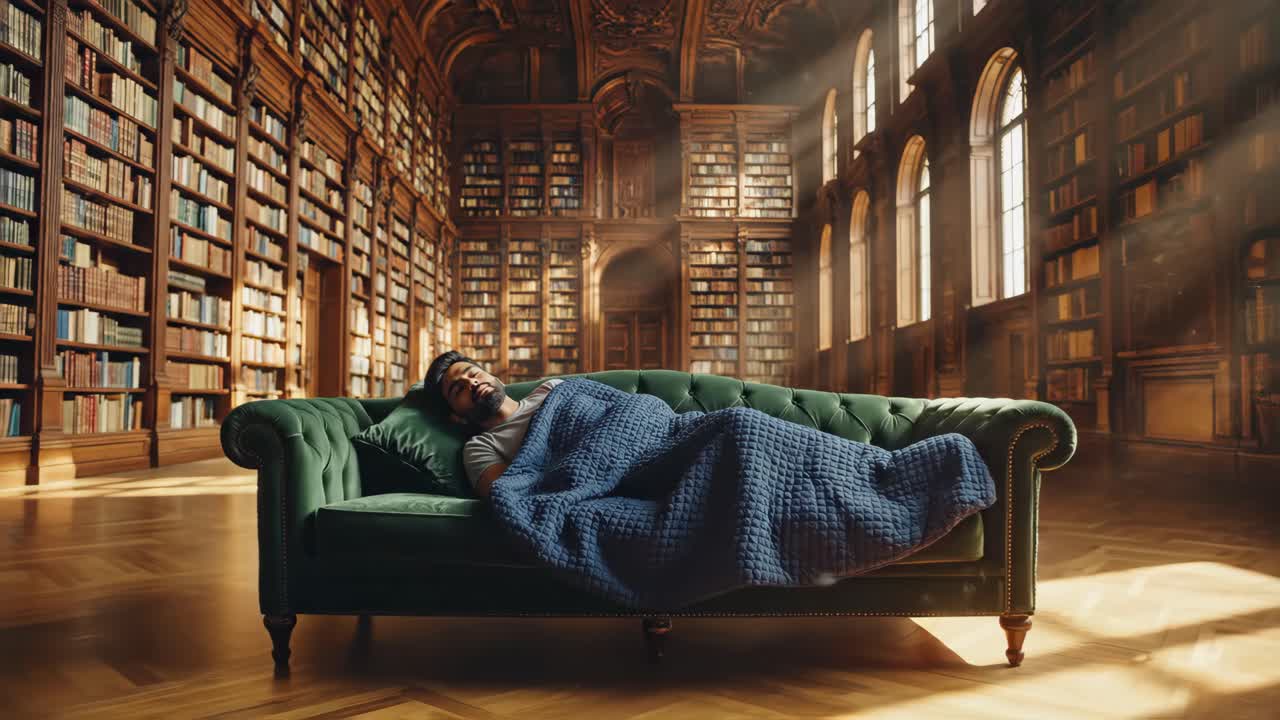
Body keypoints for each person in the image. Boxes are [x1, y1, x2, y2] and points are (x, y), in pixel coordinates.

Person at [423, 350, 563, 499]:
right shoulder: (480, 448)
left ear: (496, 378)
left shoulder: (551, 389)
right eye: (459, 389)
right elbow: (511, 497)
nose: (472, 382)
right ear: (457, 417)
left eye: (473, 374)